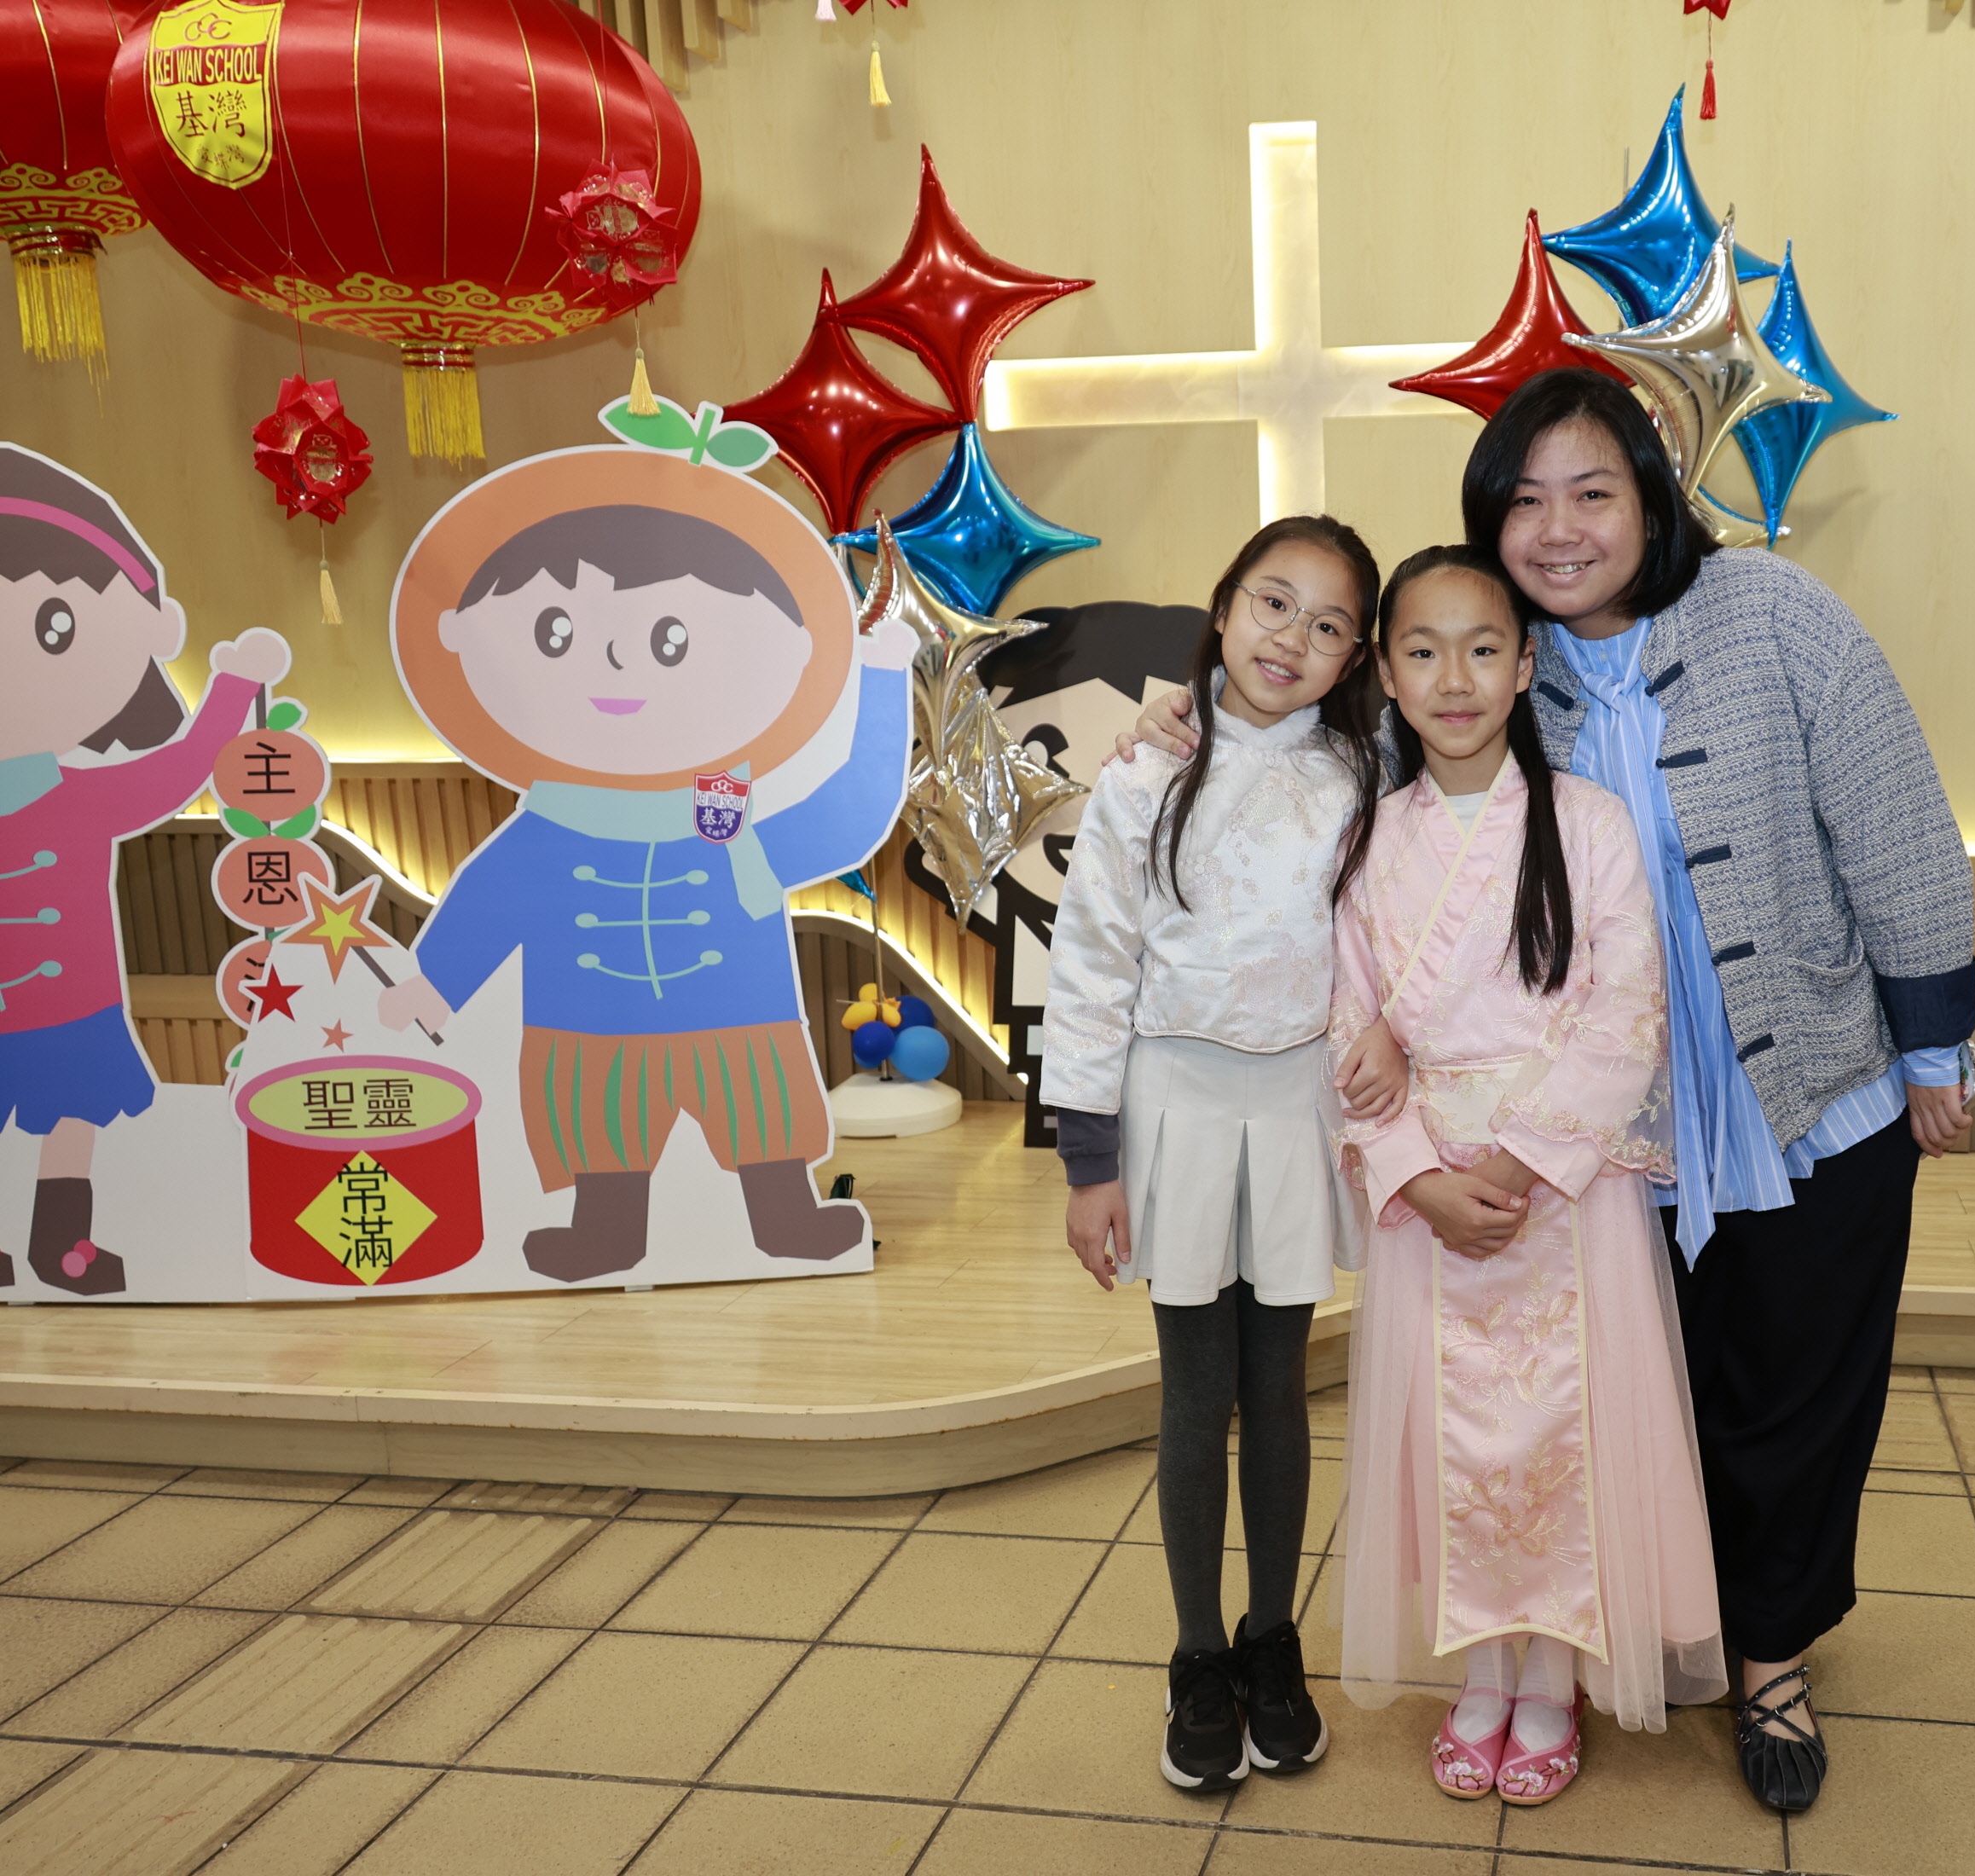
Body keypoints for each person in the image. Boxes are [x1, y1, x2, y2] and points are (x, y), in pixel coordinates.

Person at [1132, 367, 1975, 1814]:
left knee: (1796, 1390)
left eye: (1593, 491)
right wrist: (1183, 721)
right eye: (1524, 501)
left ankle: (1771, 1660)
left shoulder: (1774, 615)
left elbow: (1896, 824)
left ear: (1652, 496)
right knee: (1630, 1407)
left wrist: (1934, 1041)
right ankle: (1615, 1638)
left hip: (1794, 1089)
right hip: (1610, 1148)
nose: (1561, 527)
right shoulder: (1471, 685)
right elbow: (1314, 775)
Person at [1329, 544, 1723, 1809]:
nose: (1455, 678)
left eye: (1483, 648)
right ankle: (1481, 1670)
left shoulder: (1588, 824)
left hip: (1564, 1184)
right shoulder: (1370, 841)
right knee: (1453, 1447)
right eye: (1423, 650)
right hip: (1432, 1196)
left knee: (1563, 1436)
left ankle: (1552, 1676)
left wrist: (1527, 1156)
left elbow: (1627, 1009)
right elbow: (1347, 1028)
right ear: (1387, 673)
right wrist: (1416, 1173)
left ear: (1525, 664)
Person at [1040, 514, 1390, 1792]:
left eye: (1329, 624)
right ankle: (1197, 1657)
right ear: (1226, 604)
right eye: (1273, 602)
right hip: (1172, 1106)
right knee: (1195, 1396)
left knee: (1281, 1389)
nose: (1292, 637)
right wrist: (1090, 1163)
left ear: (1356, 658)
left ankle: (1271, 1641)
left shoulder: (1365, 778)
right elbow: (1091, 964)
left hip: (1299, 1106)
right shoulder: (1145, 773)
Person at [380, 453, 914, 1280]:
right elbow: (493, 897)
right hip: (588, 1022)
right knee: (601, 1130)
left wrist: (881, 680)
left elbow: (846, 817)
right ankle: (606, 1234)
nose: (617, 666)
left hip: (738, 1018)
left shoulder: (731, 819)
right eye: (557, 635)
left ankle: (784, 1221)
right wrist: (436, 981)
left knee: (761, 1116)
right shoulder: (549, 826)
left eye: (671, 639)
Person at [0, 443, 292, 1297]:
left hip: (73, 1005)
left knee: (73, 1117)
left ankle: (62, 1245)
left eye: (55, 626)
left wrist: (232, 689)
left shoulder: (82, 796)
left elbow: (177, 771)